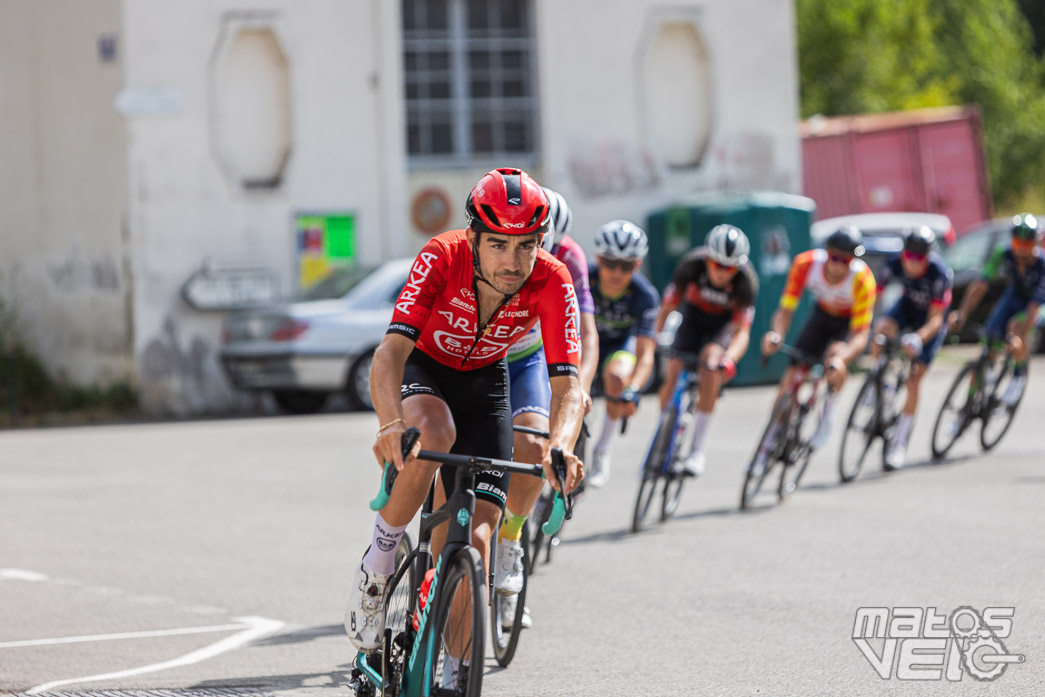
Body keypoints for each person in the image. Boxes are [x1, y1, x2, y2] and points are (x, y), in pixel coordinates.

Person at [344, 168, 585, 679]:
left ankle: (456, 670)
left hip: (485, 382)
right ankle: (378, 566)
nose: (512, 262)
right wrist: (390, 425)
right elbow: (388, 355)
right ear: (473, 236)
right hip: (425, 367)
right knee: (432, 436)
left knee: (476, 542)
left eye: (526, 247)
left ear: (541, 243)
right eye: (498, 245)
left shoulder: (553, 279)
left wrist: (562, 445)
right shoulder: (442, 255)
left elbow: (569, 387)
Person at [494, 188, 598, 620]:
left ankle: (511, 541)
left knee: (535, 445)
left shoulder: (566, 260)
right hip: (477, 354)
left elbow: (585, 335)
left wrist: (579, 389)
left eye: (536, 246)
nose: (521, 261)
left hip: (527, 357)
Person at [760, 225, 876, 457]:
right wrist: (777, 334)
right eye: (834, 258)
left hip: (847, 324)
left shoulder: (863, 281)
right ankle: (769, 441)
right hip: (821, 316)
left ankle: (828, 414)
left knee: (835, 359)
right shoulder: (805, 265)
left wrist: (842, 359)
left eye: (846, 261)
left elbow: (860, 336)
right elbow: (785, 310)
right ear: (826, 252)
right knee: (789, 382)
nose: (838, 265)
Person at [653, 224, 758, 476]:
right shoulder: (691, 264)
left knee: (711, 364)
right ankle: (664, 431)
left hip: (721, 326)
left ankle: (697, 450)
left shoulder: (745, 280)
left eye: (730, 268)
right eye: (717, 265)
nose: (723, 273)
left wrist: (729, 359)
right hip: (692, 318)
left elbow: (742, 331)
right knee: (674, 370)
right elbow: (668, 307)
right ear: (708, 259)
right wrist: (656, 338)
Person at [870, 225, 953, 469]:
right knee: (882, 330)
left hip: (929, 320)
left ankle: (900, 442)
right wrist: (871, 325)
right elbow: (876, 295)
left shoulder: (939, 273)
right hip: (907, 306)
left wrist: (918, 338)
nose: (913, 263)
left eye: (919, 258)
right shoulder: (893, 262)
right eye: (909, 255)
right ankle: (877, 376)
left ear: (928, 257)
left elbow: (937, 318)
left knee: (914, 379)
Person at [587, 220, 660, 487]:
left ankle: (601, 450)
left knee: (617, 377)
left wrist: (634, 388)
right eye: (609, 263)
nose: (616, 272)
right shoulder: (582, 279)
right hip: (587, 342)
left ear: (637, 265)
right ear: (598, 258)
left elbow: (645, 354)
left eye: (626, 265)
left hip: (619, 346)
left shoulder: (645, 296)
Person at [949, 213, 1045, 405]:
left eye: (1026, 246)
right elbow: (980, 286)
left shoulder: (1042, 266)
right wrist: (962, 313)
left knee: (1015, 329)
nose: (1021, 251)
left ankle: (1018, 375)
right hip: (1014, 295)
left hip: (1038, 304)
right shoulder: (1003, 253)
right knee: (989, 338)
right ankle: (971, 401)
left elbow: (1034, 308)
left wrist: (1019, 335)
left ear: (1036, 245)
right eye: (1017, 245)